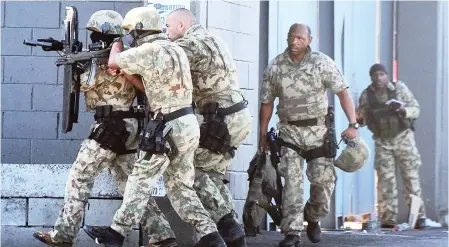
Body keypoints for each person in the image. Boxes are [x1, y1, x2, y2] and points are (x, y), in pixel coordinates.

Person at [82, 6, 227, 247]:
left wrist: (118, 42)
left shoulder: (149, 49)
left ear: (138, 29)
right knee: (181, 188)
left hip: (167, 125)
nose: (129, 35)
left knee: (139, 180)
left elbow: (114, 60)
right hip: (188, 123)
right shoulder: (176, 49)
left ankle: (115, 234)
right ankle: (211, 237)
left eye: (130, 31)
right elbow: (150, 85)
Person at [31, 10, 170, 247]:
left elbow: (82, 85)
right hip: (129, 129)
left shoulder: (107, 62)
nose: (93, 39)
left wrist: (73, 58)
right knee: (130, 184)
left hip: (110, 128)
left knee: (79, 176)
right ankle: (162, 236)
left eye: (95, 34)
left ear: (106, 35)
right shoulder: (127, 58)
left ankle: (63, 236)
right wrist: (68, 50)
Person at [259, 23, 359, 247]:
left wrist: (353, 124)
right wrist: (262, 133)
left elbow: (342, 92)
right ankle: (292, 233)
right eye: (291, 37)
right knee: (293, 183)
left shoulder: (321, 62)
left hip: (318, 134)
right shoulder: (275, 66)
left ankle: (312, 217)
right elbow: (266, 103)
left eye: (300, 38)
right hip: (289, 132)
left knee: (323, 185)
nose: (295, 42)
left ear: (309, 40)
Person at [165, 8, 252, 247]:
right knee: (213, 177)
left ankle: (226, 229)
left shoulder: (191, 43)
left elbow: (163, 58)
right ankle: (234, 237)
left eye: (169, 27)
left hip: (221, 120)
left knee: (191, 172)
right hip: (234, 116)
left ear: (182, 26)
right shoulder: (214, 38)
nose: (167, 32)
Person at [356, 63, 440, 229]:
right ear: (371, 77)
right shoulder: (367, 95)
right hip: (382, 141)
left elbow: (415, 108)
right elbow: (363, 118)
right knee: (386, 182)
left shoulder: (399, 88)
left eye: (381, 74)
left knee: (411, 179)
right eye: (375, 75)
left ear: (387, 75)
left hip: (403, 138)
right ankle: (388, 218)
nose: (378, 78)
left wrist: (402, 109)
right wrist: (358, 118)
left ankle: (419, 216)